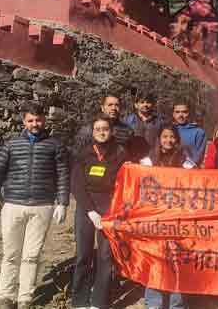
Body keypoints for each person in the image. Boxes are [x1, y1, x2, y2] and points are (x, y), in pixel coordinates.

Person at [0, 102, 69, 309]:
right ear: (24, 121)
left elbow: (63, 175)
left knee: (31, 255)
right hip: (12, 205)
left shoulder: (55, 145)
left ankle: (25, 298)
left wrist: (62, 202)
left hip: (42, 207)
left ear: (44, 120)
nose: (35, 124)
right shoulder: (11, 145)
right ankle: (6, 297)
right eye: (30, 120)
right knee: (11, 254)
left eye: (38, 120)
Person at [70, 115, 130, 309]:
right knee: (83, 255)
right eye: (98, 129)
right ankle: (80, 301)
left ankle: (99, 303)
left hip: (110, 206)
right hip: (86, 207)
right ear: (92, 132)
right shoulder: (83, 153)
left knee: (105, 256)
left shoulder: (121, 152)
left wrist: (116, 208)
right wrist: (90, 211)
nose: (102, 132)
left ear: (111, 131)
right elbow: (77, 185)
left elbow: (126, 182)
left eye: (105, 129)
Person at [140, 126, 193, 309]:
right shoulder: (146, 162)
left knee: (177, 264)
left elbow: (196, 188)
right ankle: (154, 304)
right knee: (155, 262)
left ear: (177, 140)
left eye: (172, 137)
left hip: (178, 221)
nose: (168, 140)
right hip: (154, 222)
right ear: (158, 139)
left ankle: (176, 305)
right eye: (165, 136)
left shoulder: (187, 163)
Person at [102, 94, 147, 162]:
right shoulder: (91, 129)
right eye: (110, 105)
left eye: (117, 105)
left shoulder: (127, 130)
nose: (113, 108)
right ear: (102, 108)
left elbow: (132, 155)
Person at [172, 100, 207, 165]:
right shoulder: (168, 130)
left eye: (184, 112)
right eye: (177, 112)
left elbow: (198, 157)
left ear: (189, 113)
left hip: (189, 171)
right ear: (173, 114)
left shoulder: (198, 132)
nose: (181, 115)